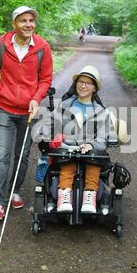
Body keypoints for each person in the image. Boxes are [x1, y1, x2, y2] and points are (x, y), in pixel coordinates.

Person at [0, 6, 53, 221]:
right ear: (14, 24)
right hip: (4, 108)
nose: (28, 24)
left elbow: (45, 79)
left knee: (21, 155)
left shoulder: (42, 47)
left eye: (31, 20)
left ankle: (14, 192)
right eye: (23, 20)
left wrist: (36, 98)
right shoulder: (1, 44)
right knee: (1, 156)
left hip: (28, 111)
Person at [40, 66, 116, 214]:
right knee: (67, 163)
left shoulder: (103, 112)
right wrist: (45, 136)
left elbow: (103, 136)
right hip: (67, 149)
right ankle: (64, 195)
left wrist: (90, 144)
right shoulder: (63, 106)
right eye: (80, 82)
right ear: (75, 84)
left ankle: (90, 196)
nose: (83, 85)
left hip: (90, 151)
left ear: (94, 88)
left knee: (94, 162)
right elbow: (48, 124)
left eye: (88, 83)